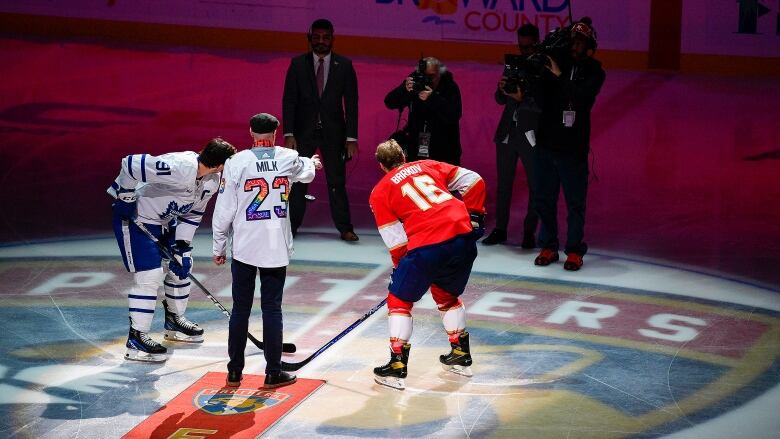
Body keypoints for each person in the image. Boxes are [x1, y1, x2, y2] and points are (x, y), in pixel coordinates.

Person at [212, 113, 322, 389]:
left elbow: (224, 209)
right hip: (275, 247)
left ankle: (234, 371)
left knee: (240, 309)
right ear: (276, 132)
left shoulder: (236, 162)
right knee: (272, 308)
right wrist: (313, 162)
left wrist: (219, 245)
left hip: (245, 247)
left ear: (251, 132)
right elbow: (306, 171)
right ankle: (273, 371)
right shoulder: (288, 157)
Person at [368, 139, 486, 390]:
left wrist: (401, 269)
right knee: (446, 295)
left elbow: (396, 240)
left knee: (399, 300)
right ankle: (460, 356)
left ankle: (397, 366)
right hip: (463, 239)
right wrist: (475, 216)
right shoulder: (428, 165)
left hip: (428, 246)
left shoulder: (380, 191)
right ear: (404, 155)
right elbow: (474, 179)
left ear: (381, 165)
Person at [108, 138, 236, 362]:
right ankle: (136, 338)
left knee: (181, 267)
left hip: (166, 222)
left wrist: (182, 247)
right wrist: (126, 196)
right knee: (149, 276)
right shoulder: (180, 167)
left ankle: (174, 321)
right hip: (137, 220)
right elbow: (130, 163)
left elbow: (193, 214)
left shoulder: (212, 181)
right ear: (220, 165)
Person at [533, 17, 606, 271]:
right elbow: (539, 94)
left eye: (580, 43)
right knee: (544, 199)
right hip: (546, 144)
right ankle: (549, 245)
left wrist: (560, 75)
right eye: (573, 41)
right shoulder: (554, 62)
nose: (575, 46)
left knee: (575, 202)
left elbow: (582, 98)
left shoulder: (595, 71)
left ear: (589, 47)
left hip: (572, 150)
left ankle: (574, 249)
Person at [282, 18, 359, 242]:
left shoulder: (344, 66)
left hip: (335, 134)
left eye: (325, 38)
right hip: (302, 133)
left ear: (332, 39)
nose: (321, 42)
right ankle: (291, 226)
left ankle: (345, 227)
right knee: (297, 181)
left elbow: (352, 103)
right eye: (316, 38)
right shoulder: (297, 65)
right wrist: (289, 134)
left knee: (337, 181)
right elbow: (289, 101)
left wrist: (351, 137)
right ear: (310, 39)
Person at [482, 24, 541, 249]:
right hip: (507, 132)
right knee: (504, 185)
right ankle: (500, 228)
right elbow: (499, 99)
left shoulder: (541, 69)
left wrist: (522, 96)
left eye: (528, 46)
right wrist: (502, 88)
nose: (524, 50)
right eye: (521, 46)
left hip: (530, 133)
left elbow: (541, 106)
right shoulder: (513, 65)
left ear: (536, 42)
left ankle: (529, 231)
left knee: (535, 184)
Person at [384, 57, 463, 165]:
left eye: (431, 76)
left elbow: (454, 115)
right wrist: (404, 90)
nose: (427, 80)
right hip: (416, 149)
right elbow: (389, 102)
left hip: (444, 152)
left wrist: (433, 98)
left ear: (440, 73)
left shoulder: (450, 87)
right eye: (424, 75)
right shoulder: (415, 83)